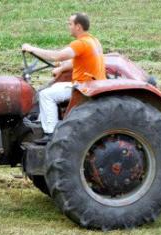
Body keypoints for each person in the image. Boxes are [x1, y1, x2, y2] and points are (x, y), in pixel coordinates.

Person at [22, 13, 106, 144]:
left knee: (45, 95)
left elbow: (58, 56)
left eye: (70, 24)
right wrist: (61, 68)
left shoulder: (81, 43)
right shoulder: (93, 41)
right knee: (50, 88)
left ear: (78, 27)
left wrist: (31, 49)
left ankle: (50, 133)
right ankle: (39, 121)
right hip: (90, 84)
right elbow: (78, 60)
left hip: (83, 87)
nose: (68, 26)